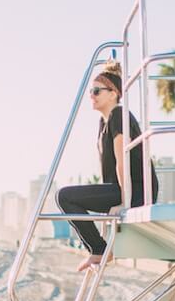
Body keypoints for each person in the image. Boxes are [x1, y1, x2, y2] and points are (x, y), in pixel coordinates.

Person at [57, 61, 159, 272]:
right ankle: (97, 249)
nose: (91, 96)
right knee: (65, 197)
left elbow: (123, 162)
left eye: (96, 91)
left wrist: (125, 201)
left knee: (64, 196)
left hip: (137, 190)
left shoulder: (118, 115)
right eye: (90, 92)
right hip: (123, 189)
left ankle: (98, 249)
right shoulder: (104, 123)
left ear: (113, 93)